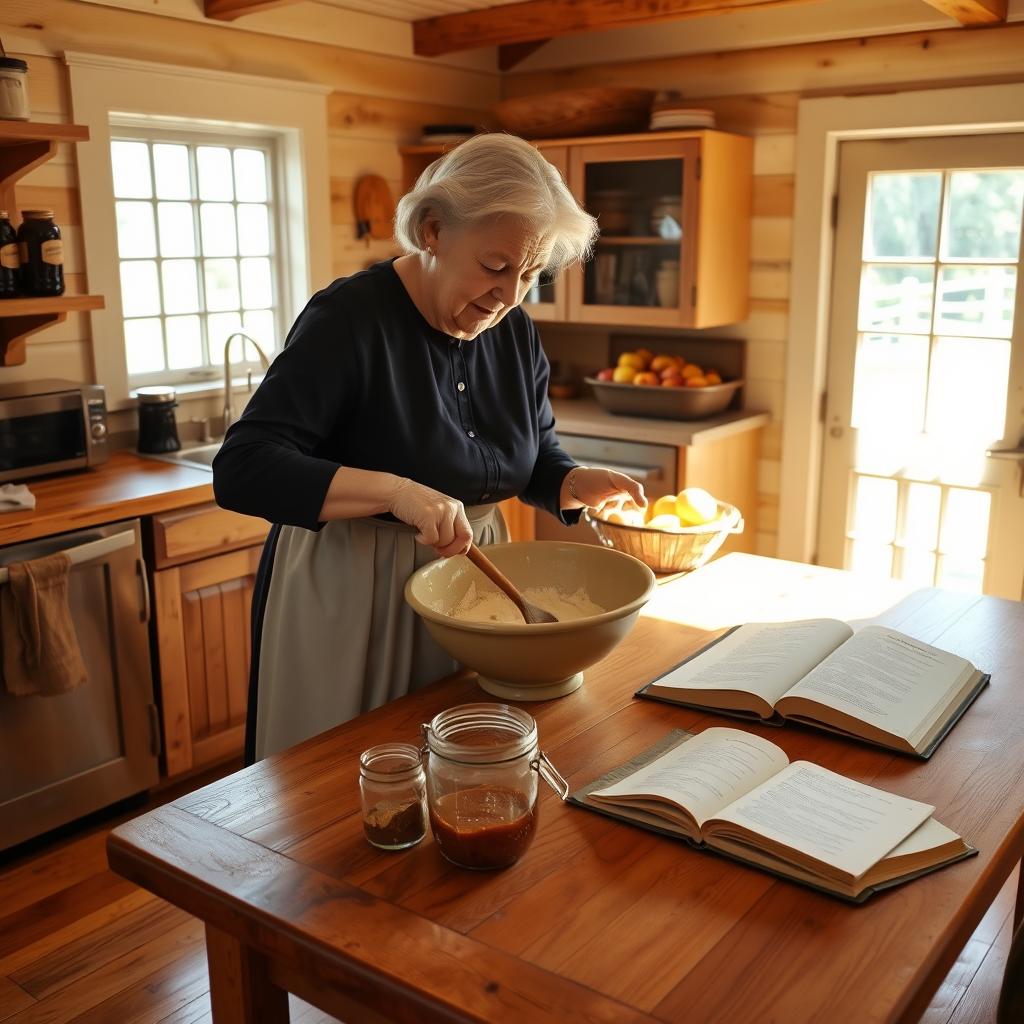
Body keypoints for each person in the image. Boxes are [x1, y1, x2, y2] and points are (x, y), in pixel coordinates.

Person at [213, 133, 647, 763]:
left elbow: (527, 455)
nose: (510, 296)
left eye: (531, 274)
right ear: (433, 230)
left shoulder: (515, 330)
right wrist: (394, 491)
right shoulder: (349, 320)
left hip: (475, 588)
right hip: (353, 589)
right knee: (344, 789)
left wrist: (572, 481)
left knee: (461, 773)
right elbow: (243, 468)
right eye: (496, 267)